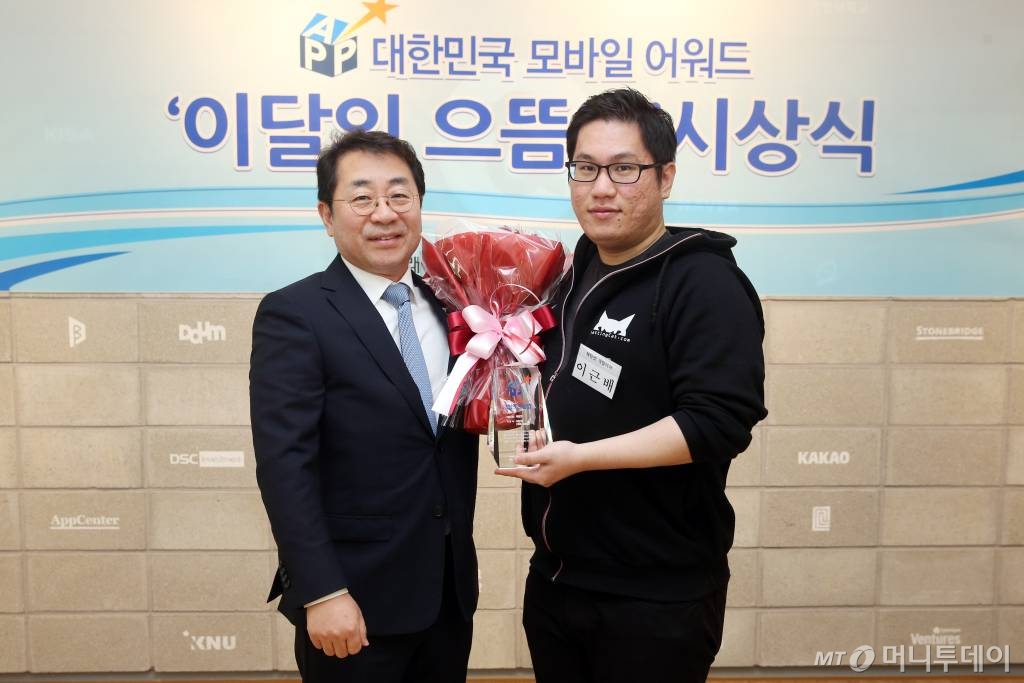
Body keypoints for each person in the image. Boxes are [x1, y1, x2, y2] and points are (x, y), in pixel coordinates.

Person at [498, 88, 768, 682]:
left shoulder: (703, 282)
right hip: (558, 580)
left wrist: (581, 459)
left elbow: (719, 422)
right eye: (585, 168)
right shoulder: (571, 275)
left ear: (665, 177)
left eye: (624, 169)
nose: (601, 187)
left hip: (655, 596)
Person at [250, 130, 479, 683]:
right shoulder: (296, 314)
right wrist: (322, 590)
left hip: (446, 596)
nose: (384, 213)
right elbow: (285, 466)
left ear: (419, 205)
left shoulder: (458, 306)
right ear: (327, 216)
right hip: (352, 599)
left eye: (400, 195)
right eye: (362, 198)